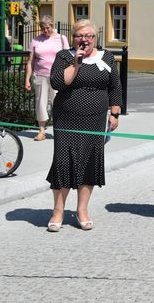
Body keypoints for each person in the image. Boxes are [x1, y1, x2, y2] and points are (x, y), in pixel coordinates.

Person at [46, 20, 122, 232]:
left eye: (89, 36)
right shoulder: (64, 56)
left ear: (95, 38)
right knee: (63, 162)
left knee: (89, 162)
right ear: (73, 38)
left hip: (95, 119)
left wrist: (115, 113)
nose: (84, 40)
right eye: (80, 35)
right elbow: (57, 83)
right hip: (66, 119)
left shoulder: (106, 57)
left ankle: (82, 210)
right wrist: (76, 63)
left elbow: (115, 86)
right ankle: (58, 211)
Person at [24, 15, 69, 141]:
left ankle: (60, 131)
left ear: (52, 26)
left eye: (48, 28)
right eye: (43, 28)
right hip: (40, 75)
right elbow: (30, 62)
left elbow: (68, 58)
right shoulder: (36, 40)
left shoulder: (62, 39)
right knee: (40, 103)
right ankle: (41, 131)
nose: (45, 31)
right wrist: (27, 79)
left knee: (58, 103)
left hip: (58, 76)